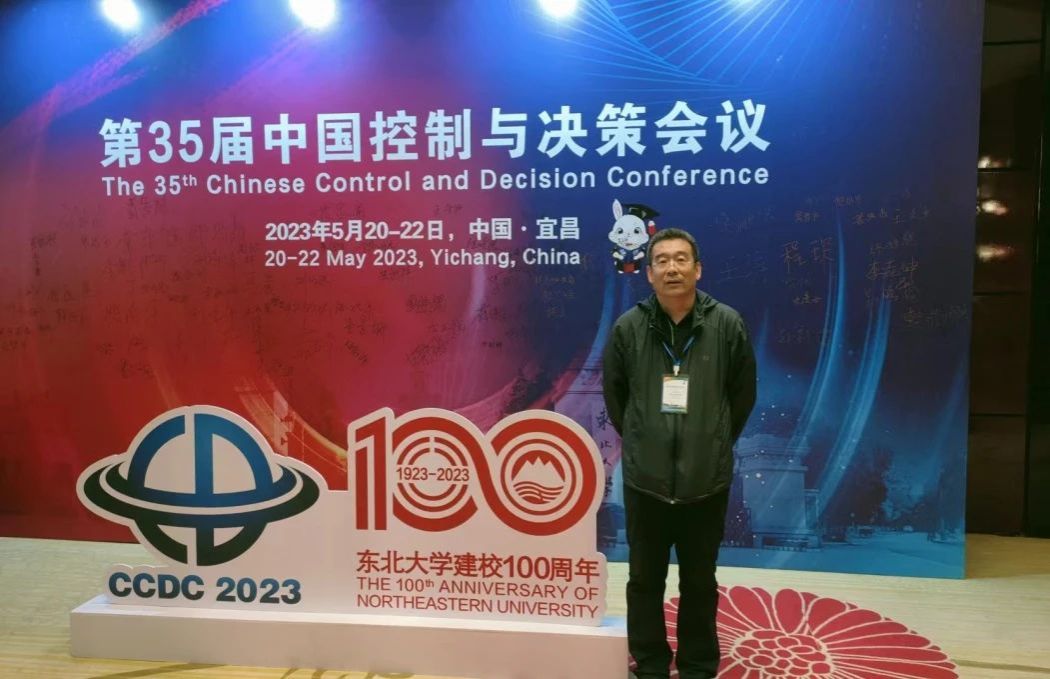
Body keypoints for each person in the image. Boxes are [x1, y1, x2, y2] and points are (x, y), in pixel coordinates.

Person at [602, 228, 757, 679]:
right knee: (644, 582)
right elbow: (616, 396)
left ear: (698, 269)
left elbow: (742, 395)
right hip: (645, 482)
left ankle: (697, 666)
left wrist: (712, 440)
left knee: (700, 582)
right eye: (662, 260)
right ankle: (650, 665)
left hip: (705, 482)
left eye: (681, 259)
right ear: (649, 273)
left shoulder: (726, 324)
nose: (672, 268)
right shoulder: (629, 328)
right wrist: (642, 439)